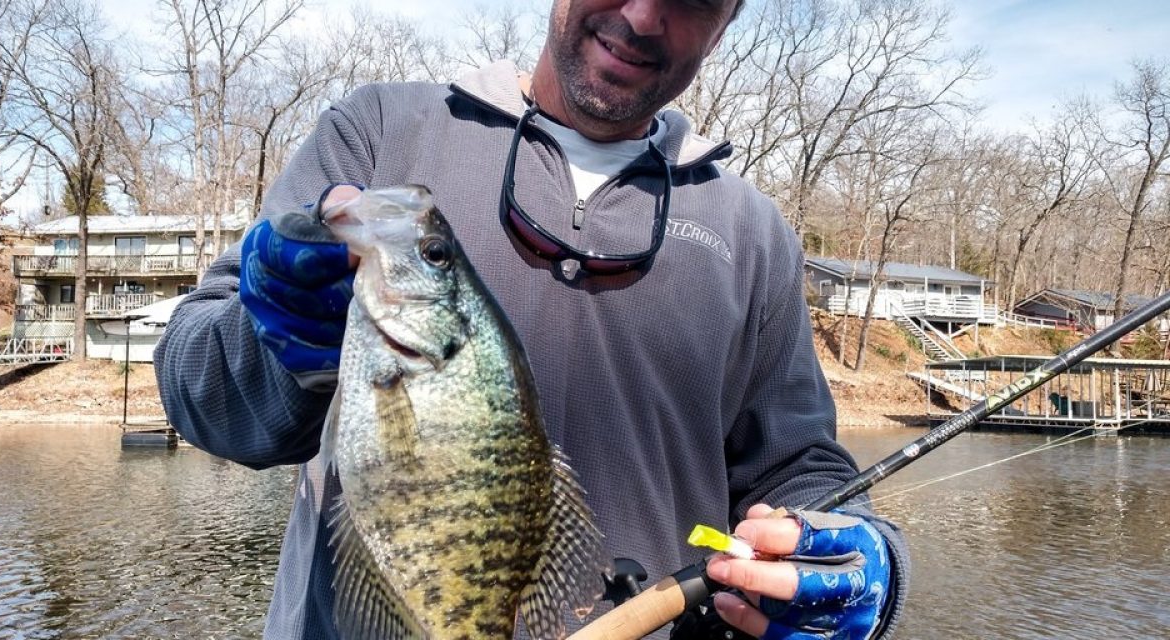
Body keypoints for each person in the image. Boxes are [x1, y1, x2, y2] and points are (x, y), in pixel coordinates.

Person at [154, 0, 908, 638]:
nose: (642, 15)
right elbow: (200, 400)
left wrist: (855, 564)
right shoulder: (381, 130)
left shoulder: (754, 232)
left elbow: (798, 465)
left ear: (728, 22)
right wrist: (276, 342)